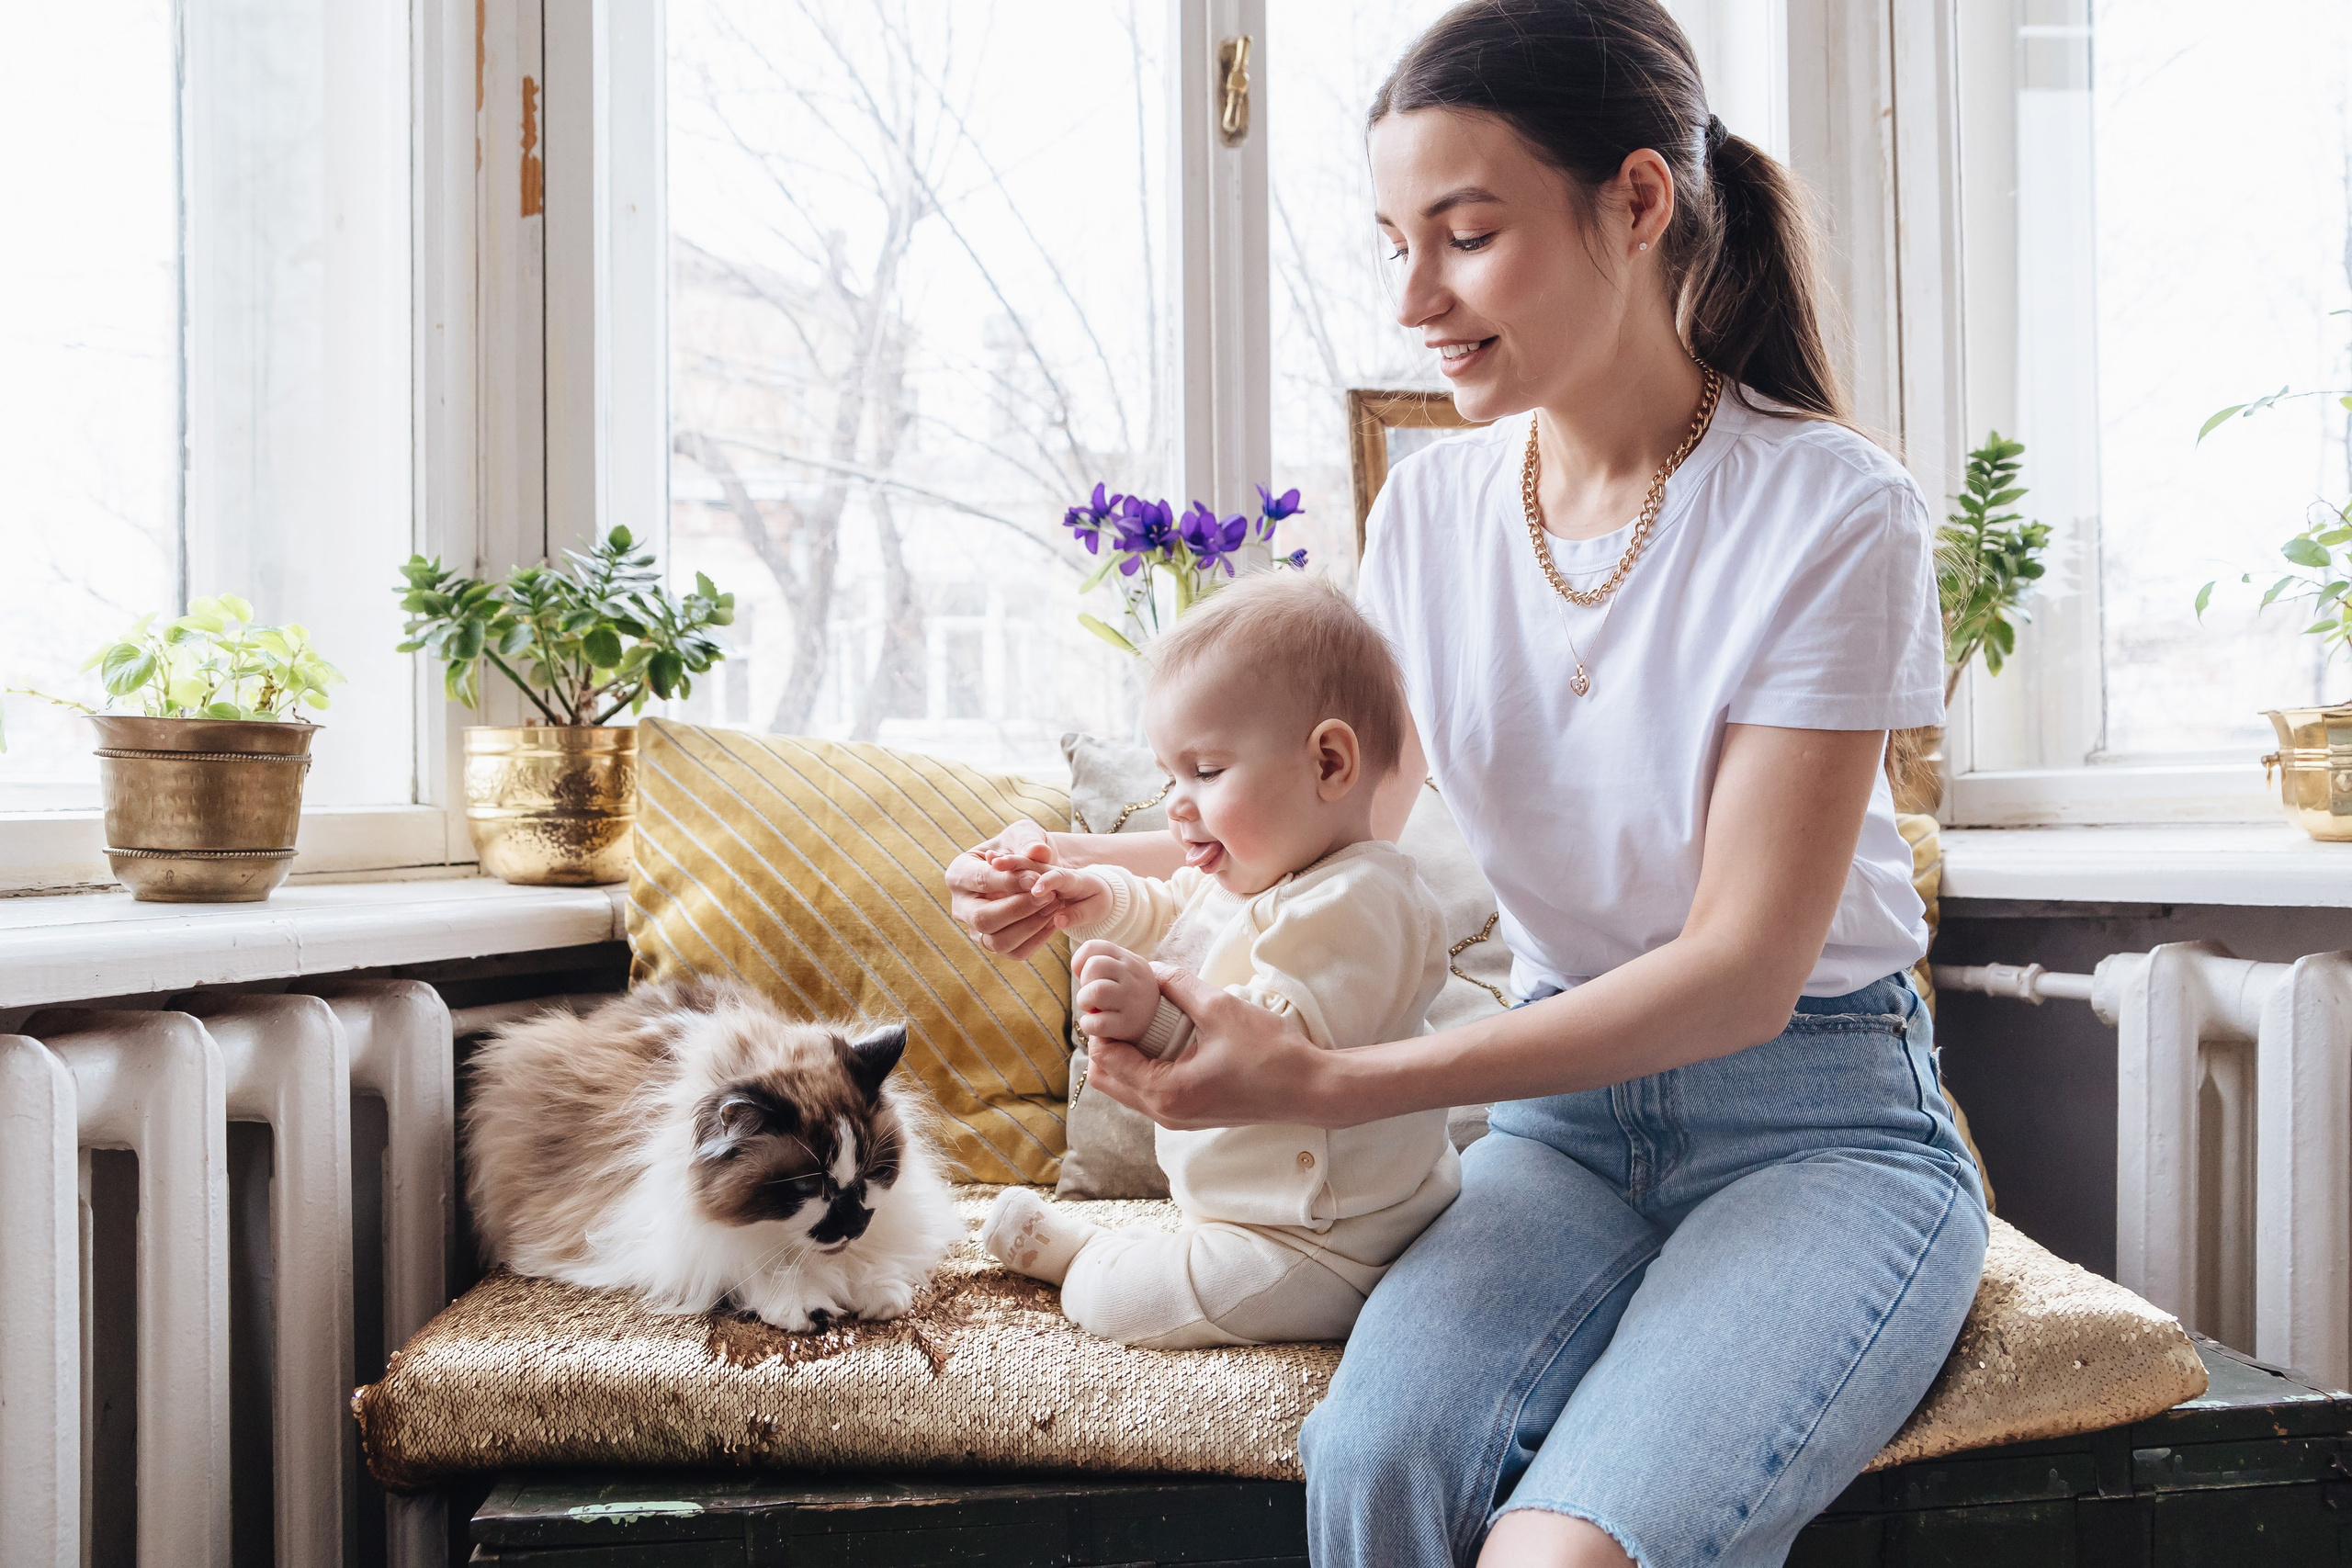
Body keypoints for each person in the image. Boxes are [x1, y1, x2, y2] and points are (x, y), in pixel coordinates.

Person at [949, 1, 1984, 1562]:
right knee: (1377, 1462)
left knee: (1564, 1549)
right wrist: (1081, 871)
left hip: (1819, 1127)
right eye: (1394, 243)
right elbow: (1326, 820)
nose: (1417, 297)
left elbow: (1740, 974)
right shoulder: (1432, 518)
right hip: (1560, 1137)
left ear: (1637, 202)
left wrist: (1327, 1084)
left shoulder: (1833, 512)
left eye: (1469, 234)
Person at [981, 574, 1462, 1349]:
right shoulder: (1257, 871)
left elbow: (1277, 1042)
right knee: (1188, 1258)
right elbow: (1170, 907)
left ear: (1330, 764)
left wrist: (1159, 1020)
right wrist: (1091, 896)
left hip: (1333, 1239)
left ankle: (1086, 1258)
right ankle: (1126, 1247)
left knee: (1122, 1304)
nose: (1176, 801)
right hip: (1249, 1210)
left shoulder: (1367, 901)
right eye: (1170, 775)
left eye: (1204, 772)